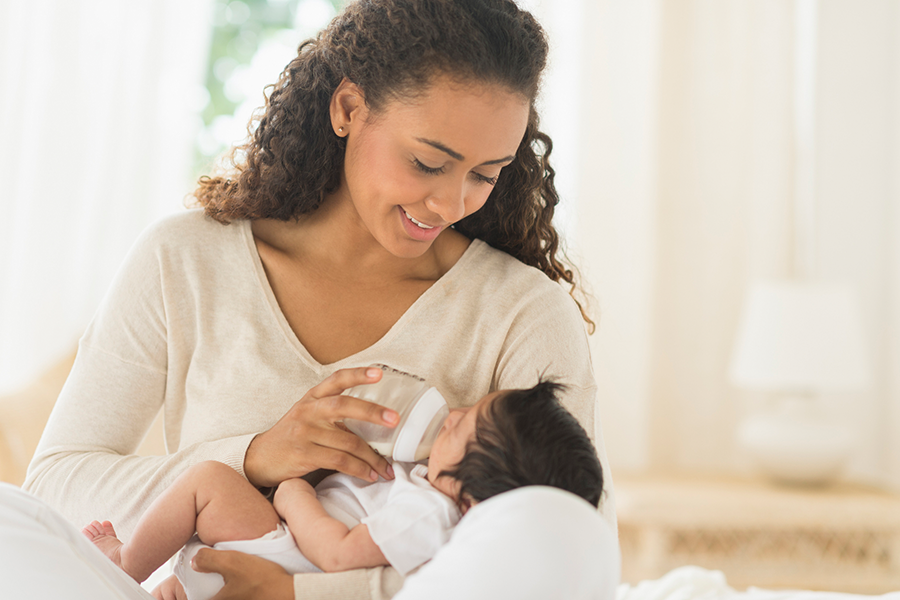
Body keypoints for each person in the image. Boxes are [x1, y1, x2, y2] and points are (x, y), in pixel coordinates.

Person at [24, 0, 617, 598]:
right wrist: (253, 457)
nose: (452, 203)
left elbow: (568, 559)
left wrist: (302, 595)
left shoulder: (523, 316)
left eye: (487, 174)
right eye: (428, 162)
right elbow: (51, 491)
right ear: (349, 108)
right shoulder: (185, 261)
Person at [82, 381, 604, 600]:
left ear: (474, 494)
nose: (456, 413)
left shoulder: (429, 515)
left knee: (207, 481)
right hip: (277, 547)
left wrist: (292, 494)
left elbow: (336, 556)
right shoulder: (427, 486)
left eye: (463, 428)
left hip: (288, 554)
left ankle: (123, 567)